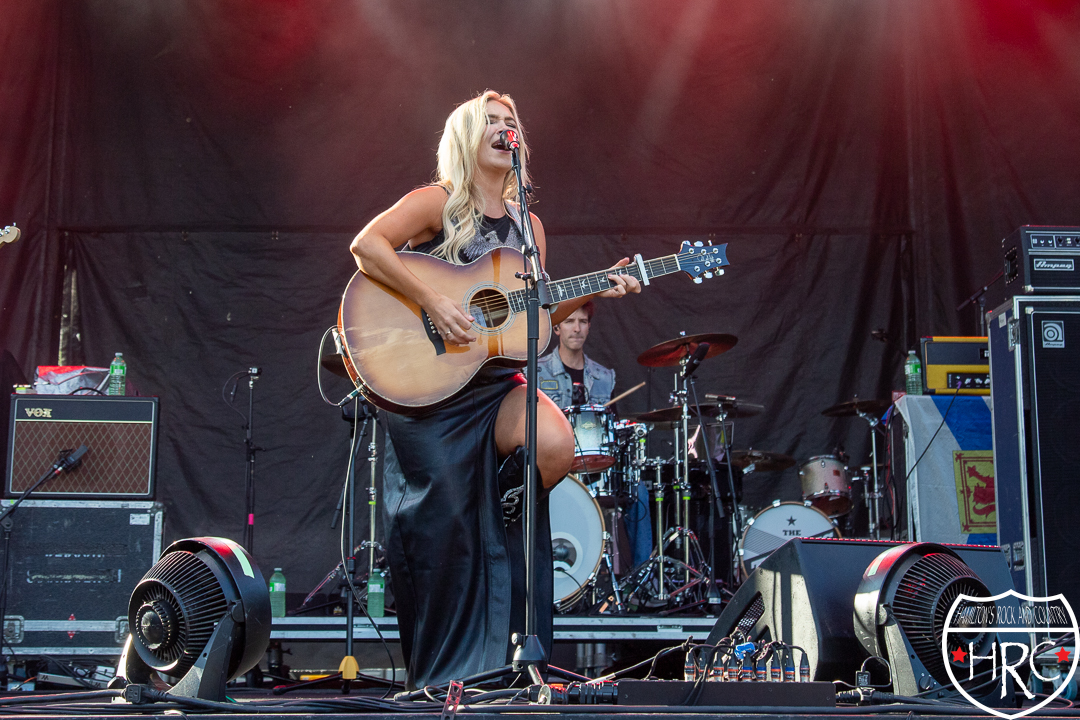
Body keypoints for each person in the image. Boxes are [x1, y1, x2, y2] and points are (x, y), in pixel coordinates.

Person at [348, 90, 640, 690]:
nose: (506, 129)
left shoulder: (529, 225)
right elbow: (366, 246)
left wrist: (596, 289)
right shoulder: (438, 202)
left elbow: (532, 320)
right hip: (432, 390)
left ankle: (502, 557)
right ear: (465, 136)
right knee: (445, 529)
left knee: (556, 443)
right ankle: (451, 665)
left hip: (493, 382)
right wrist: (434, 300)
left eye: (512, 122)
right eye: (492, 121)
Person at [537, 303, 653, 568]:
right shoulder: (537, 373)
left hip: (597, 470)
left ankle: (641, 576)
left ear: (589, 326)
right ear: (557, 327)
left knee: (639, 492)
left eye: (582, 321)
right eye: (569, 321)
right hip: (553, 468)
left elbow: (613, 428)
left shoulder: (603, 377)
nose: (576, 328)